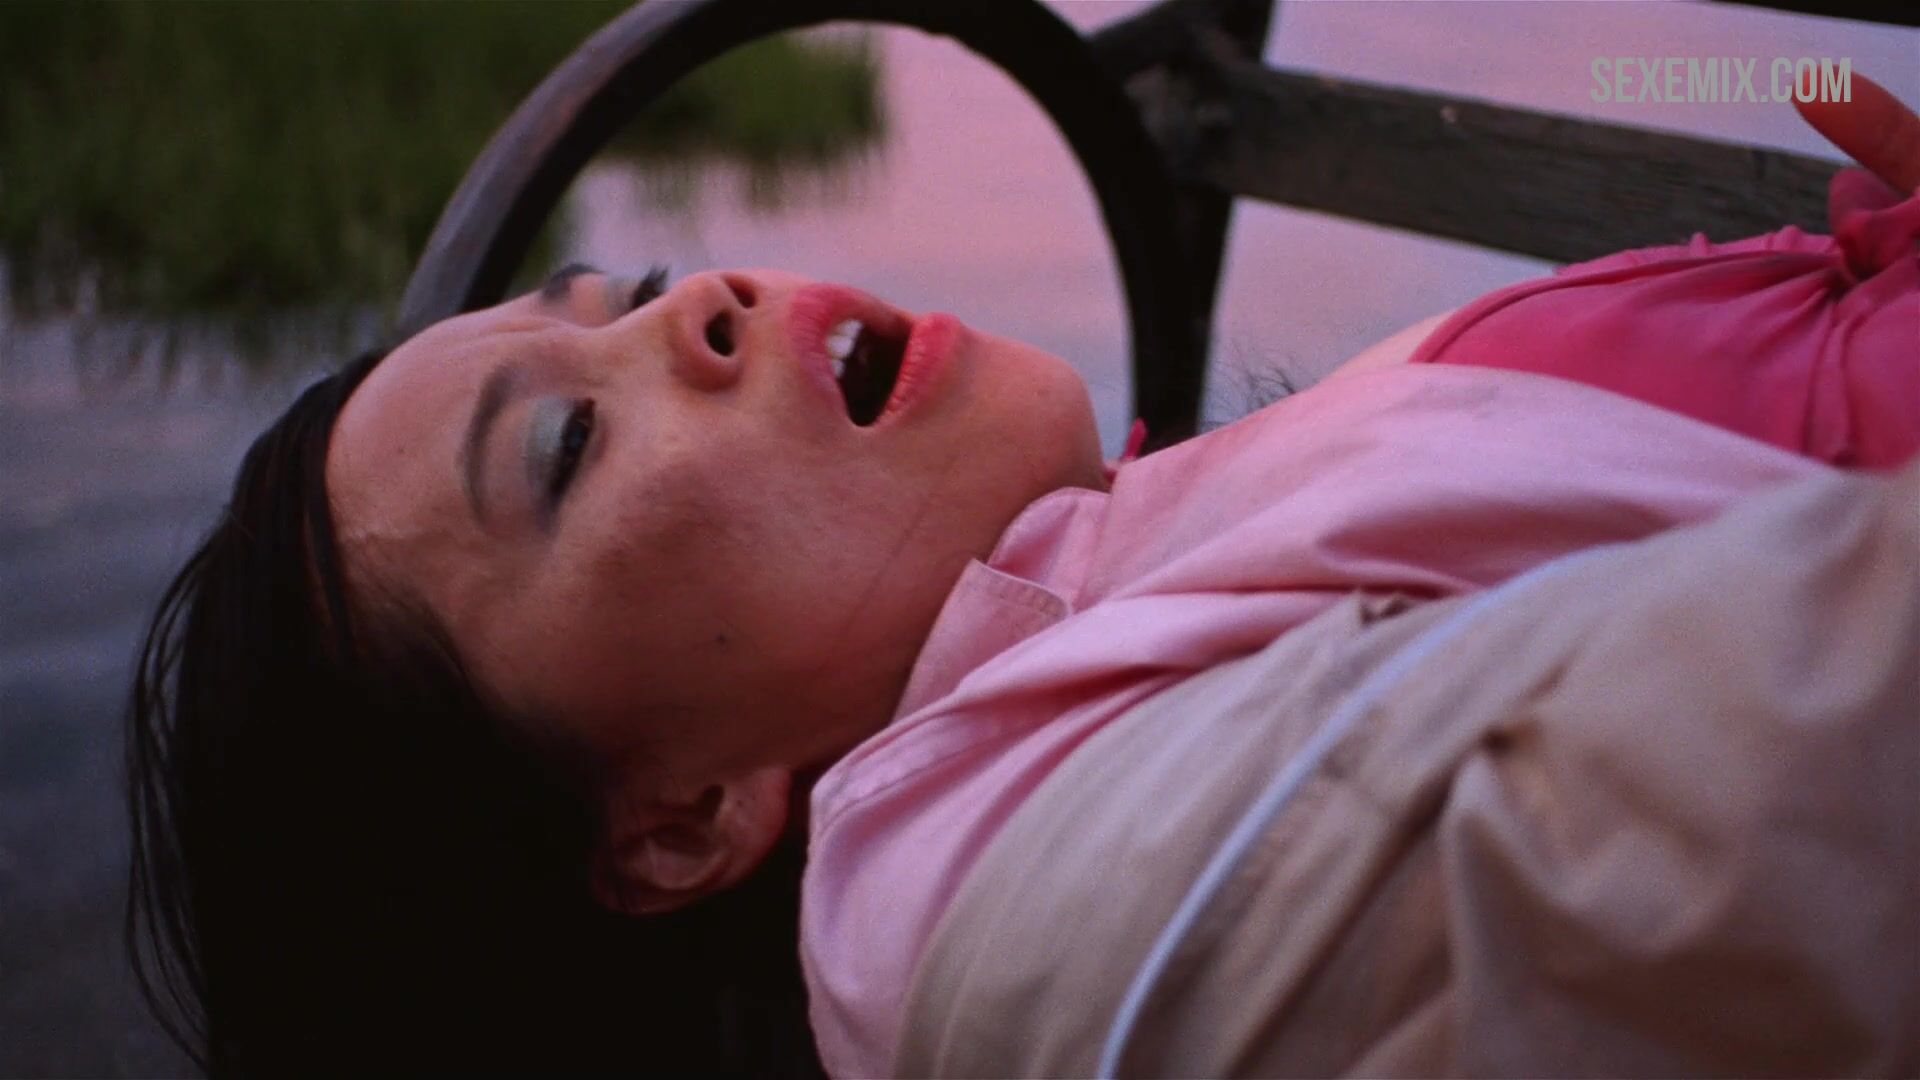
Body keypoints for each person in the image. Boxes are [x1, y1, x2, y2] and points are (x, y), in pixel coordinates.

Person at [126, 79, 1919, 1074]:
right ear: (675, 826)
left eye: (629, 296)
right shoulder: (1052, 925)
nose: (702, 300)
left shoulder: (1111, 597)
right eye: (563, 448)